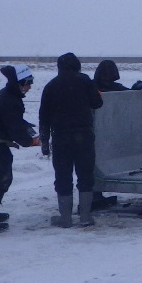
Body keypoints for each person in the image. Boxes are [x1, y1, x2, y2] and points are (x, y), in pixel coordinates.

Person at [38, 52, 103, 227]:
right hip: (84, 136)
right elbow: (97, 103)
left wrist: (45, 141)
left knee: (63, 176)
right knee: (85, 176)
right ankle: (85, 217)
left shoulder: (51, 86)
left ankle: (65, 218)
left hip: (60, 137)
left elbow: (44, 117)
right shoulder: (85, 81)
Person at [0, 64, 39, 234]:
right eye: (28, 82)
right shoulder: (11, 100)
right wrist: (30, 141)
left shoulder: (8, 96)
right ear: (18, 83)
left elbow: (14, 122)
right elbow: (13, 126)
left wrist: (27, 128)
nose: (30, 86)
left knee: (2, 180)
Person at [89, 59, 142, 210]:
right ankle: (93, 196)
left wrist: (137, 87)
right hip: (94, 132)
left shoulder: (109, 87)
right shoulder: (91, 88)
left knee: (95, 163)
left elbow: (128, 94)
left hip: (104, 132)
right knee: (91, 165)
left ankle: (94, 195)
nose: (107, 78)